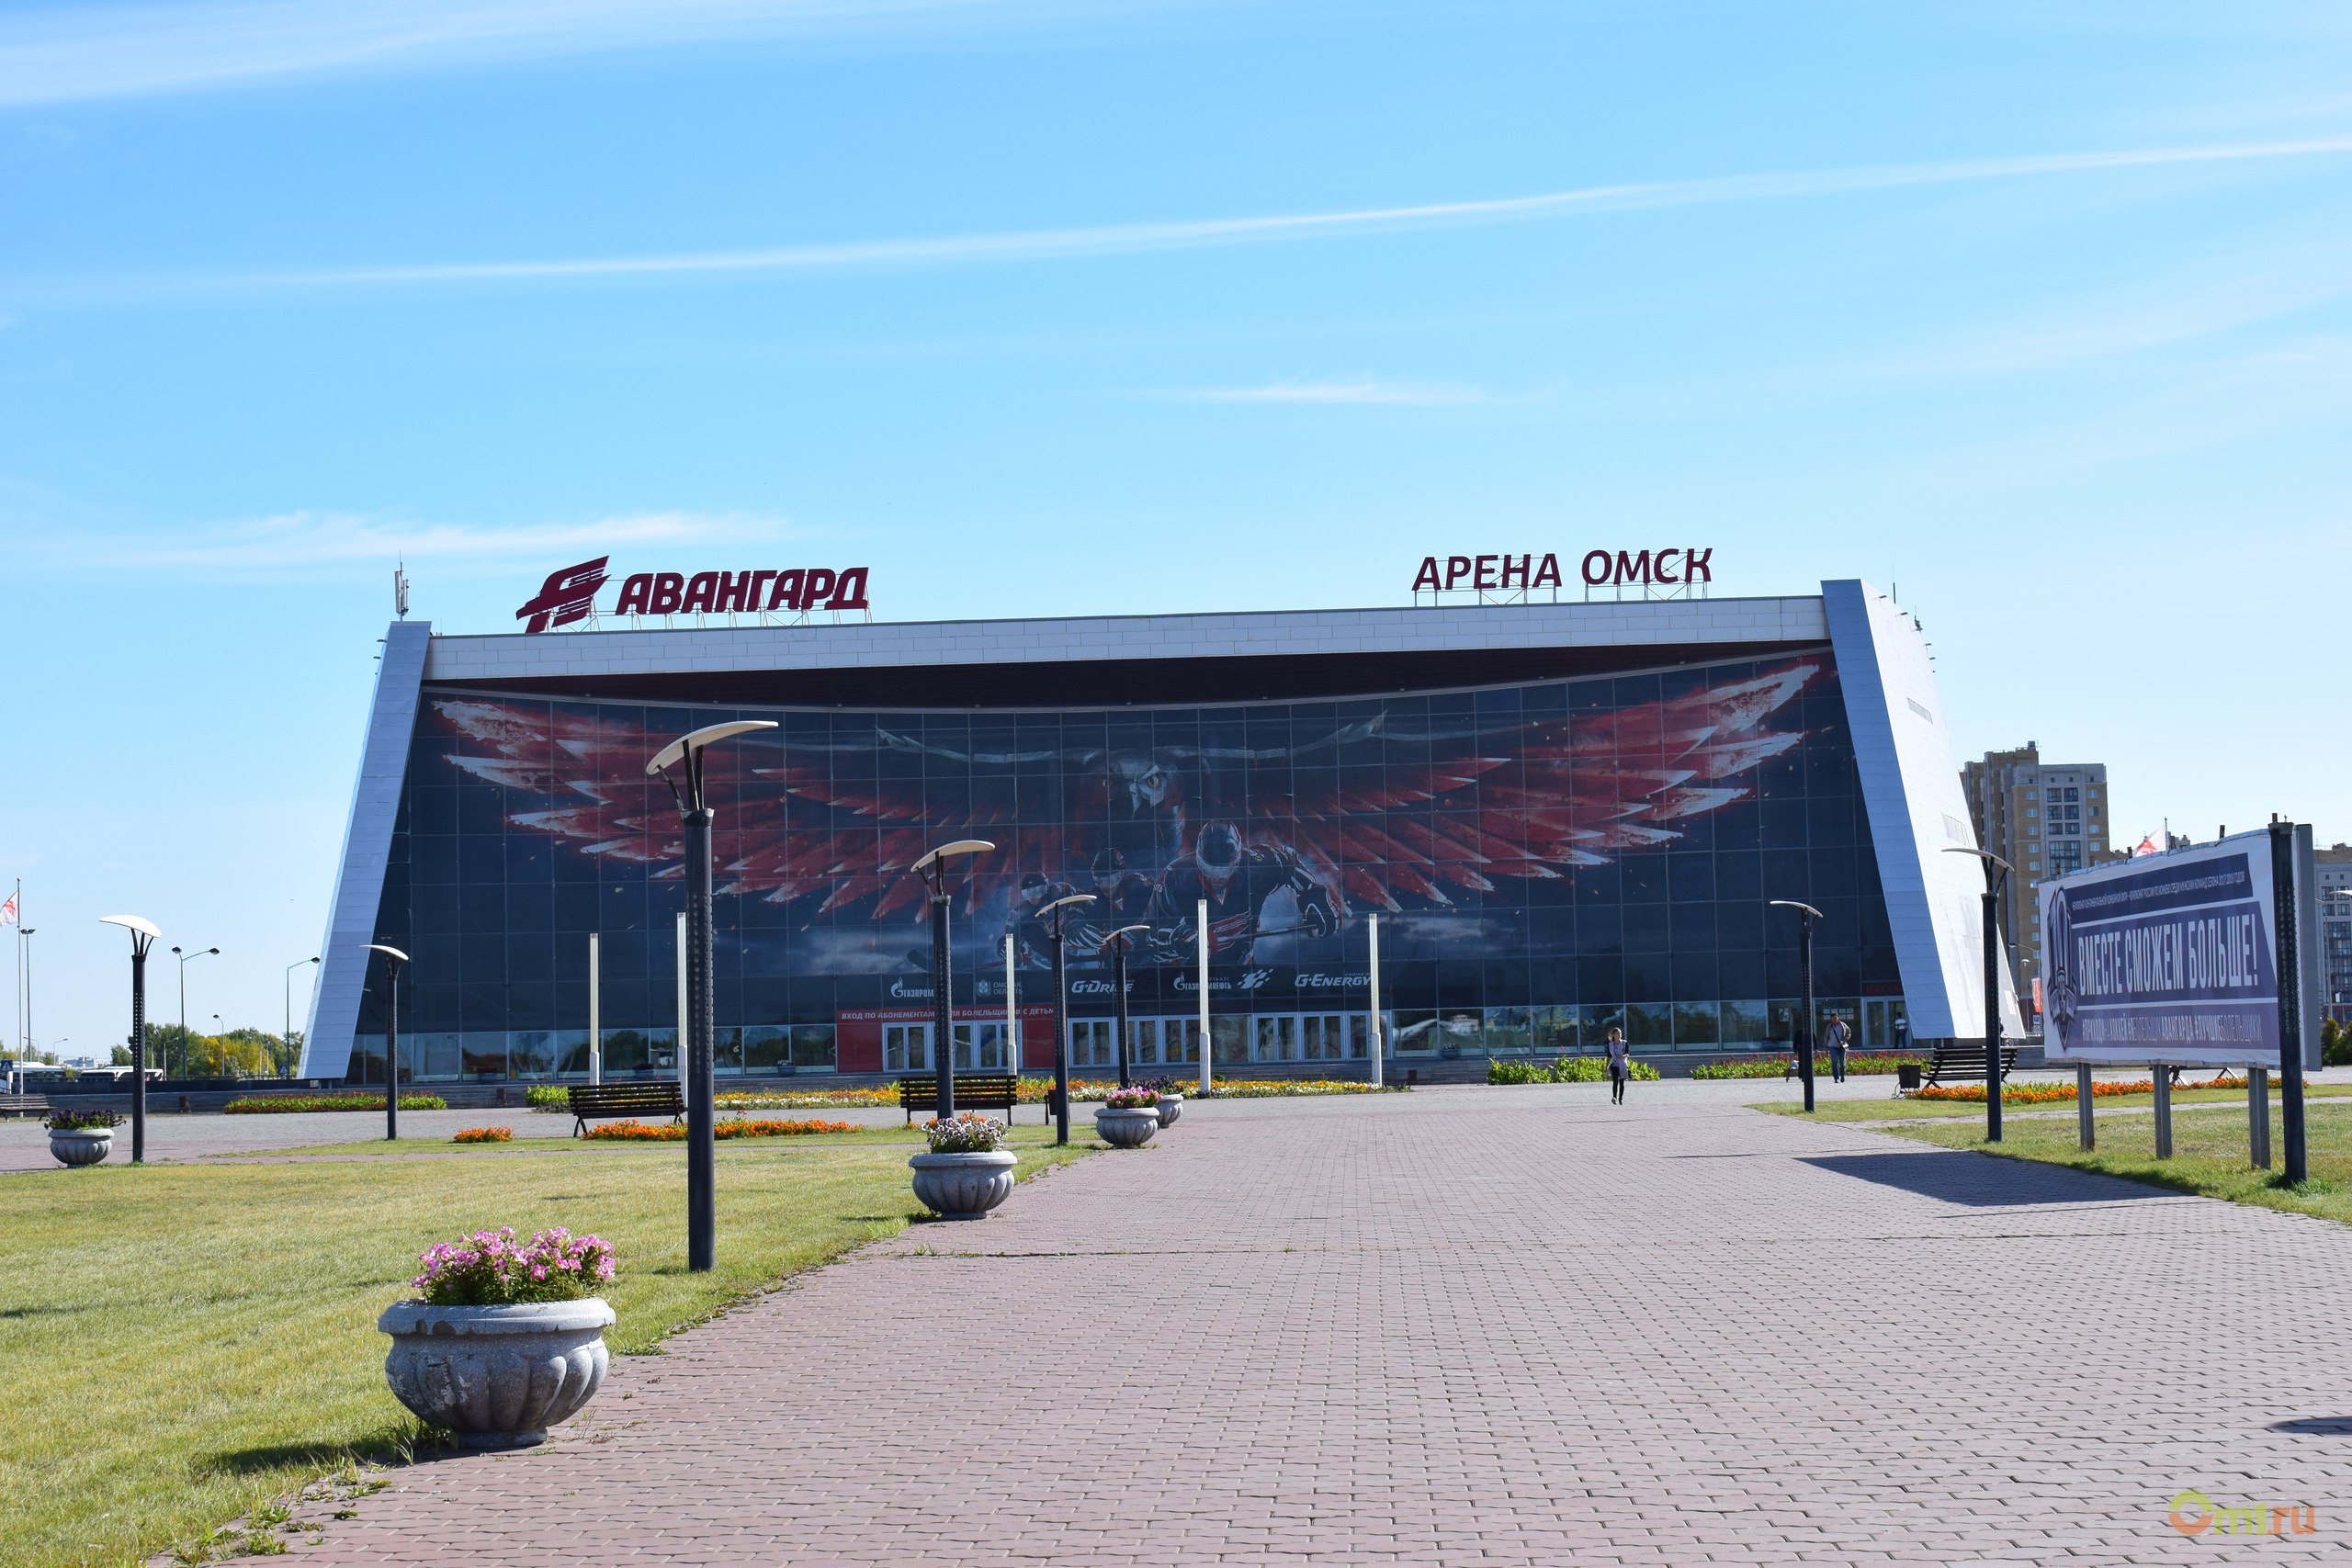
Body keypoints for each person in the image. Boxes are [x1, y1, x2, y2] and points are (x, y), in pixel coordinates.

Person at [1604, 1026, 1631, 1106]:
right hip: (1614, 1064)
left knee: (1622, 1082)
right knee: (1615, 1081)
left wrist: (1623, 1056)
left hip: (1622, 1064)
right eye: (1617, 1033)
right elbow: (1609, 1056)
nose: (1619, 1035)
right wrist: (1607, 1066)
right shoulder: (1610, 1045)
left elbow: (1627, 1053)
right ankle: (1614, 1097)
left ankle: (1621, 1099)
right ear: (1613, 1035)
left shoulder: (1624, 1043)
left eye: (1620, 1033)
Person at [1826, 1014, 1851, 1083]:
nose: (1835, 1019)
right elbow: (1826, 1036)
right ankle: (1836, 1078)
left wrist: (1844, 1040)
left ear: (1838, 1018)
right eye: (1833, 1018)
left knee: (1842, 1063)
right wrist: (1826, 1046)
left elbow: (1849, 1033)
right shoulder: (1829, 1027)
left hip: (1841, 1046)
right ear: (1831, 1019)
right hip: (1832, 1046)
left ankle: (1842, 1075)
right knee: (1834, 1062)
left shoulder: (1843, 1025)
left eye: (1836, 1018)